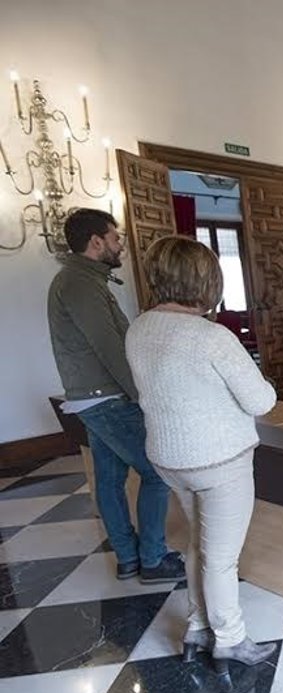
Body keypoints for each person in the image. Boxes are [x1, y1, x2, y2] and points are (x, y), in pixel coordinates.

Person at [125, 236, 278, 670]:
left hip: (169, 458)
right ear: (207, 281)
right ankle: (229, 638)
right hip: (219, 461)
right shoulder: (212, 337)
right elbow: (261, 401)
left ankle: (197, 626)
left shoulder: (139, 328)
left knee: (199, 543)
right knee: (222, 558)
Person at [45, 209, 185, 584]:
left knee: (109, 479)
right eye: (115, 237)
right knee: (156, 472)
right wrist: (145, 397)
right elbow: (110, 347)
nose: (121, 244)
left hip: (94, 397)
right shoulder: (79, 283)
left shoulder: (82, 279)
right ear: (96, 241)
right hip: (107, 398)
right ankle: (152, 558)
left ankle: (127, 558)